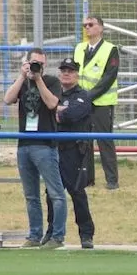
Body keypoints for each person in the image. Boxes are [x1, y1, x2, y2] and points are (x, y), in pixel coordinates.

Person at [3, 48, 67, 249]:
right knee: (31, 195)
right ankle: (34, 235)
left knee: (56, 193)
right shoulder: (22, 81)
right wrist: (22, 76)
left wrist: (38, 79)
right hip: (24, 145)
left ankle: (57, 236)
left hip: (45, 145)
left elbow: (52, 104)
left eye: (41, 63)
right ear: (27, 62)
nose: (38, 66)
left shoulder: (51, 82)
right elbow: (7, 99)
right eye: (34, 63)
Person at [43, 58, 96, 249]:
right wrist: (58, 110)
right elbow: (47, 113)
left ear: (77, 74)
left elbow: (72, 115)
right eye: (63, 70)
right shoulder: (54, 93)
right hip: (54, 149)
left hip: (74, 151)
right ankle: (52, 231)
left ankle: (86, 234)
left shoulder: (82, 95)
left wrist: (55, 110)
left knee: (77, 192)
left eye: (70, 71)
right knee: (51, 194)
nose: (66, 74)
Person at [74, 15, 120, 190]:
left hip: (102, 102)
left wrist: (89, 96)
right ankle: (87, 179)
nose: (87, 27)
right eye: (85, 25)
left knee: (104, 141)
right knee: (84, 141)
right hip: (82, 101)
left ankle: (112, 180)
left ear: (100, 28)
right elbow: (74, 73)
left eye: (91, 24)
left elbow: (109, 77)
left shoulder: (110, 49)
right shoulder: (79, 48)